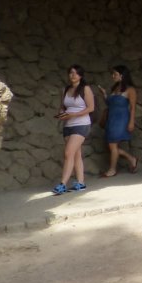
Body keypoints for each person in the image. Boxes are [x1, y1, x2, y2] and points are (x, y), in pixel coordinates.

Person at [53, 64, 94, 195]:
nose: (73, 75)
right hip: (68, 124)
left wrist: (73, 115)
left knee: (68, 153)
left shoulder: (85, 89)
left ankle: (63, 184)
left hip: (81, 123)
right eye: (71, 72)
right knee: (76, 154)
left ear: (80, 75)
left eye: (75, 73)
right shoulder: (65, 89)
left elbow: (91, 108)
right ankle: (81, 182)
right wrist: (62, 114)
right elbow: (62, 106)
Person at [97, 65, 139, 177]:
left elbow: (133, 107)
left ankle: (112, 170)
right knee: (111, 146)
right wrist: (105, 95)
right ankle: (132, 159)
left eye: (115, 74)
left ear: (122, 75)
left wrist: (131, 122)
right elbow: (110, 103)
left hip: (121, 119)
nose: (113, 76)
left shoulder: (130, 89)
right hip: (111, 119)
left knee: (112, 144)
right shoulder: (114, 88)